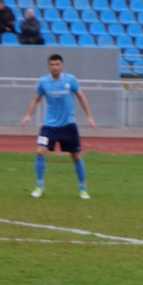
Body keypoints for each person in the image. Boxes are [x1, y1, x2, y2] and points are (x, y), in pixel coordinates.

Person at [20, 53, 95, 199]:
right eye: (52, 65)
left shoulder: (70, 80)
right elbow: (35, 99)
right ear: (48, 66)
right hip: (49, 127)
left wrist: (89, 116)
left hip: (68, 125)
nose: (55, 67)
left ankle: (83, 189)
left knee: (76, 156)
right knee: (40, 151)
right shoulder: (43, 82)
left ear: (62, 66)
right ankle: (40, 186)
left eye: (57, 64)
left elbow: (81, 97)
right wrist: (28, 115)